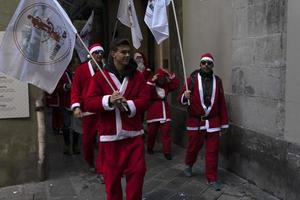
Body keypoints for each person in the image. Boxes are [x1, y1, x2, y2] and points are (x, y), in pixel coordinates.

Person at [85, 38, 150, 200]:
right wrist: (109, 100)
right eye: (123, 52)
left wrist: (128, 105)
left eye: (128, 52)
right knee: (112, 180)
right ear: (113, 54)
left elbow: (145, 100)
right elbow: (89, 102)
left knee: (138, 173)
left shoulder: (137, 77)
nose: (127, 55)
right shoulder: (100, 77)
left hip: (134, 136)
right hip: (110, 138)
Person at [178, 53, 229, 191]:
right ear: (200, 64)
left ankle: (211, 178)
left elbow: (221, 103)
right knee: (193, 147)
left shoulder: (218, 81)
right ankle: (189, 164)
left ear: (212, 65)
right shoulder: (191, 80)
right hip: (196, 123)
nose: (206, 65)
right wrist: (185, 96)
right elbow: (180, 100)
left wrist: (224, 123)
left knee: (213, 151)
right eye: (204, 62)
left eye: (209, 63)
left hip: (213, 122)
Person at [71, 43, 104, 172]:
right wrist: (76, 106)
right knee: (87, 141)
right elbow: (75, 90)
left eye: (101, 53)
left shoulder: (105, 69)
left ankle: (103, 167)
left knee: (103, 140)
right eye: (96, 53)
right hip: (87, 112)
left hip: (102, 110)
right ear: (90, 55)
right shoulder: (81, 70)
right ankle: (90, 162)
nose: (99, 55)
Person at [146, 67, 179, 160]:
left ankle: (167, 152)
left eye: (163, 77)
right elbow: (147, 93)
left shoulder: (166, 85)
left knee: (166, 132)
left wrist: (169, 75)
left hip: (165, 112)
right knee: (152, 132)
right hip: (153, 112)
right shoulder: (151, 85)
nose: (161, 79)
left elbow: (176, 85)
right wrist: (152, 81)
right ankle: (149, 147)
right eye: (160, 77)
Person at [56, 56, 81, 155]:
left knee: (77, 126)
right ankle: (67, 145)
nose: (78, 64)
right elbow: (57, 88)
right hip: (65, 104)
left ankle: (75, 146)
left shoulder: (79, 74)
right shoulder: (63, 75)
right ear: (71, 64)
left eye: (78, 63)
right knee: (66, 125)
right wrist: (66, 86)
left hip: (77, 104)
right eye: (76, 63)